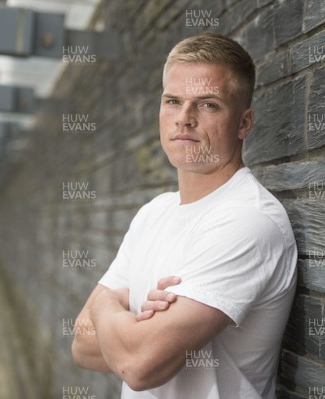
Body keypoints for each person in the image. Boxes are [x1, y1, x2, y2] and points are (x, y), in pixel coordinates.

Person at [72, 32, 297, 399]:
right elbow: (82, 347)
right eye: (173, 101)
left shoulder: (247, 221)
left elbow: (140, 365)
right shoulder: (154, 213)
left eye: (208, 104)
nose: (184, 119)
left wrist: (104, 303)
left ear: (244, 123)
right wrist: (128, 328)